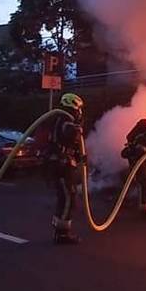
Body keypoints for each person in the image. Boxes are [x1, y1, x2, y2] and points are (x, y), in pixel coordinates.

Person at [46, 93, 85, 244]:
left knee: (65, 197)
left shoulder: (61, 119)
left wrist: (79, 156)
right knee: (69, 197)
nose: (80, 112)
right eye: (79, 109)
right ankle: (62, 234)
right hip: (60, 165)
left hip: (61, 164)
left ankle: (60, 229)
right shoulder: (64, 120)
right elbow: (71, 134)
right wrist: (77, 128)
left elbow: (70, 143)